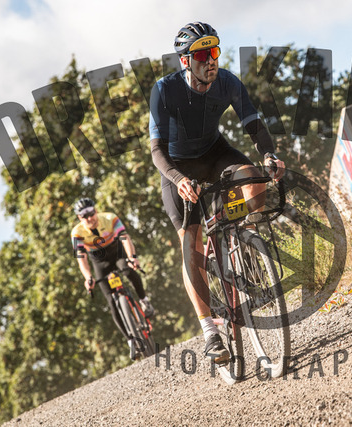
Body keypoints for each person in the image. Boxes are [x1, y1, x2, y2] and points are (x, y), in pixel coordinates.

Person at [149, 21, 285, 365]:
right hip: (178, 168)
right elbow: (157, 150)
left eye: (214, 51)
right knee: (190, 245)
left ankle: (237, 234)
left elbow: (253, 124)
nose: (211, 60)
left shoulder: (227, 82)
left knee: (255, 180)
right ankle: (210, 331)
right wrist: (179, 179)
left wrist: (269, 155)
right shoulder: (164, 90)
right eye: (202, 55)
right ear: (185, 61)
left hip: (215, 154)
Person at [71, 197, 155, 360]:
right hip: (99, 261)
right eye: (84, 216)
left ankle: (144, 301)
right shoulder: (76, 233)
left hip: (117, 253)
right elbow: (81, 258)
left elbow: (125, 238)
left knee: (129, 271)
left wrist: (132, 257)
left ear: (96, 211)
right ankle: (130, 340)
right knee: (111, 301)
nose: (89, 218)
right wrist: (88, 277)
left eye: (91, 213)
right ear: (79, 218)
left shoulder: (110, 218)